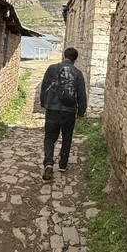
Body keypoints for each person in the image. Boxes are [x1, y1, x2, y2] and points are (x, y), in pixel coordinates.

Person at [40, 47, 87, 181]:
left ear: (64, 55)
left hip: (53, 109)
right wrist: (81, 112)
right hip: (69, 111)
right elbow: (81, 94)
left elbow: (44, 86)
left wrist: (43, 103)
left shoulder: (51, 68)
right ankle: (63, 164)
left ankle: (49, 163)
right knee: (67, 138)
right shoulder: (78, 73)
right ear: (75, 59)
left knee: (49, 138)